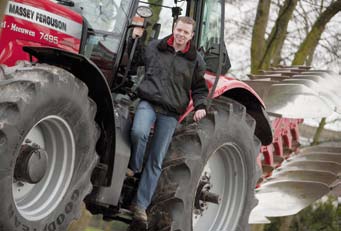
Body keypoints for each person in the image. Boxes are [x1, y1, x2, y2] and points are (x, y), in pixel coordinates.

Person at [128, 16, 208, 222]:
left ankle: (140, 206)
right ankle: (135, 169)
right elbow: (135, 59)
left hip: (171, 113)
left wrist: (201, 106)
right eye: (179, 30)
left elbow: (199, 88)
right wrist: (135, 37)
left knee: (156, 159)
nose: (181, 34)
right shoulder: (156, 47)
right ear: (174, 28)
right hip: (148, 102)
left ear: (191, 35)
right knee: (139, 132)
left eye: (185, 32)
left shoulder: (195, 60)